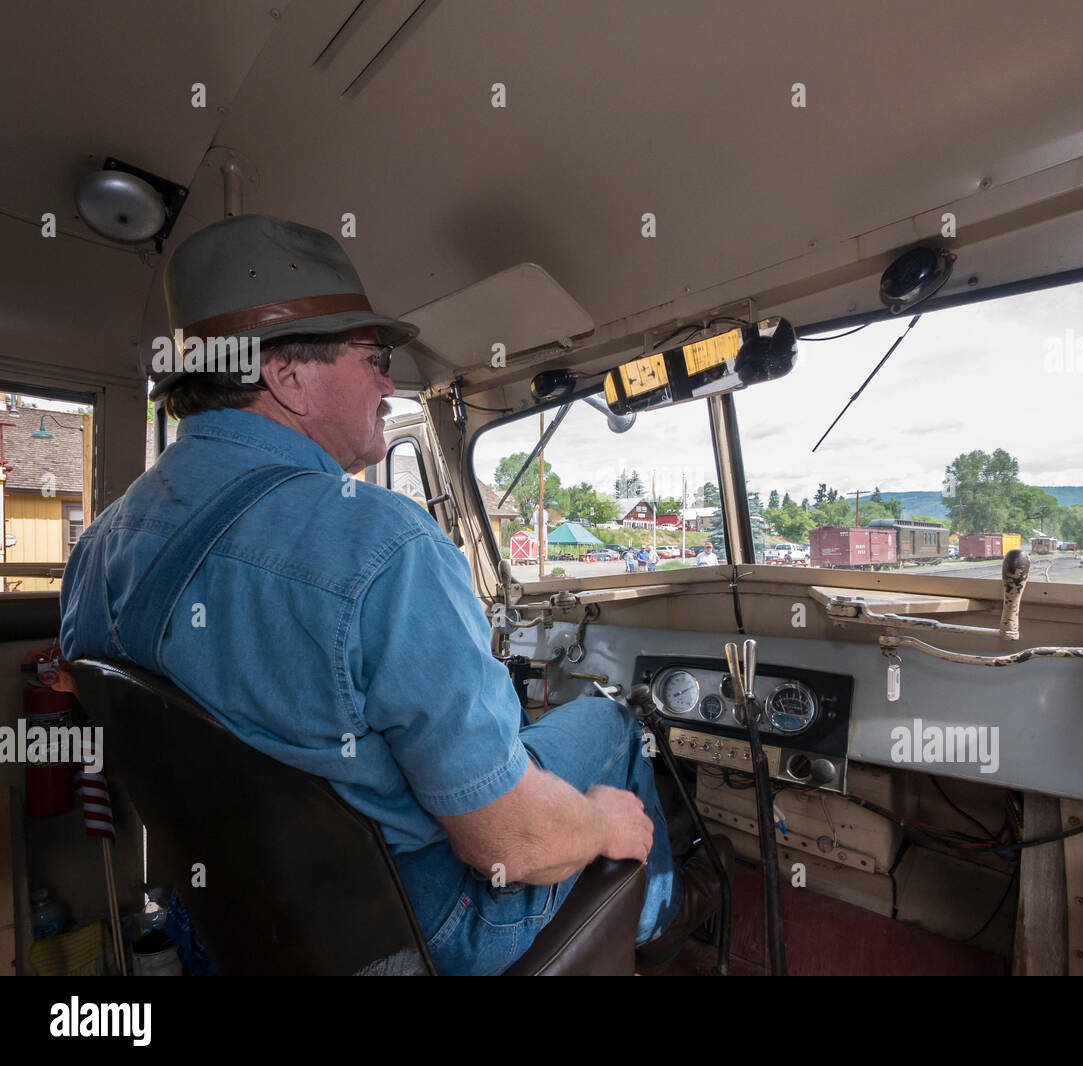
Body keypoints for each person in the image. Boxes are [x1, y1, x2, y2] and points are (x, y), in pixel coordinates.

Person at [57, 214, 729, 976]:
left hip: (226, 920)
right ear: (287, 376)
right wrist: (605, 823)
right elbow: (509, 844)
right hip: (414, 930)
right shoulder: (383, 545)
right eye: (374, 358)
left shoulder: (99, 548)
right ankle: (660, 911)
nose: (390, 381)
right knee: (607, 721)